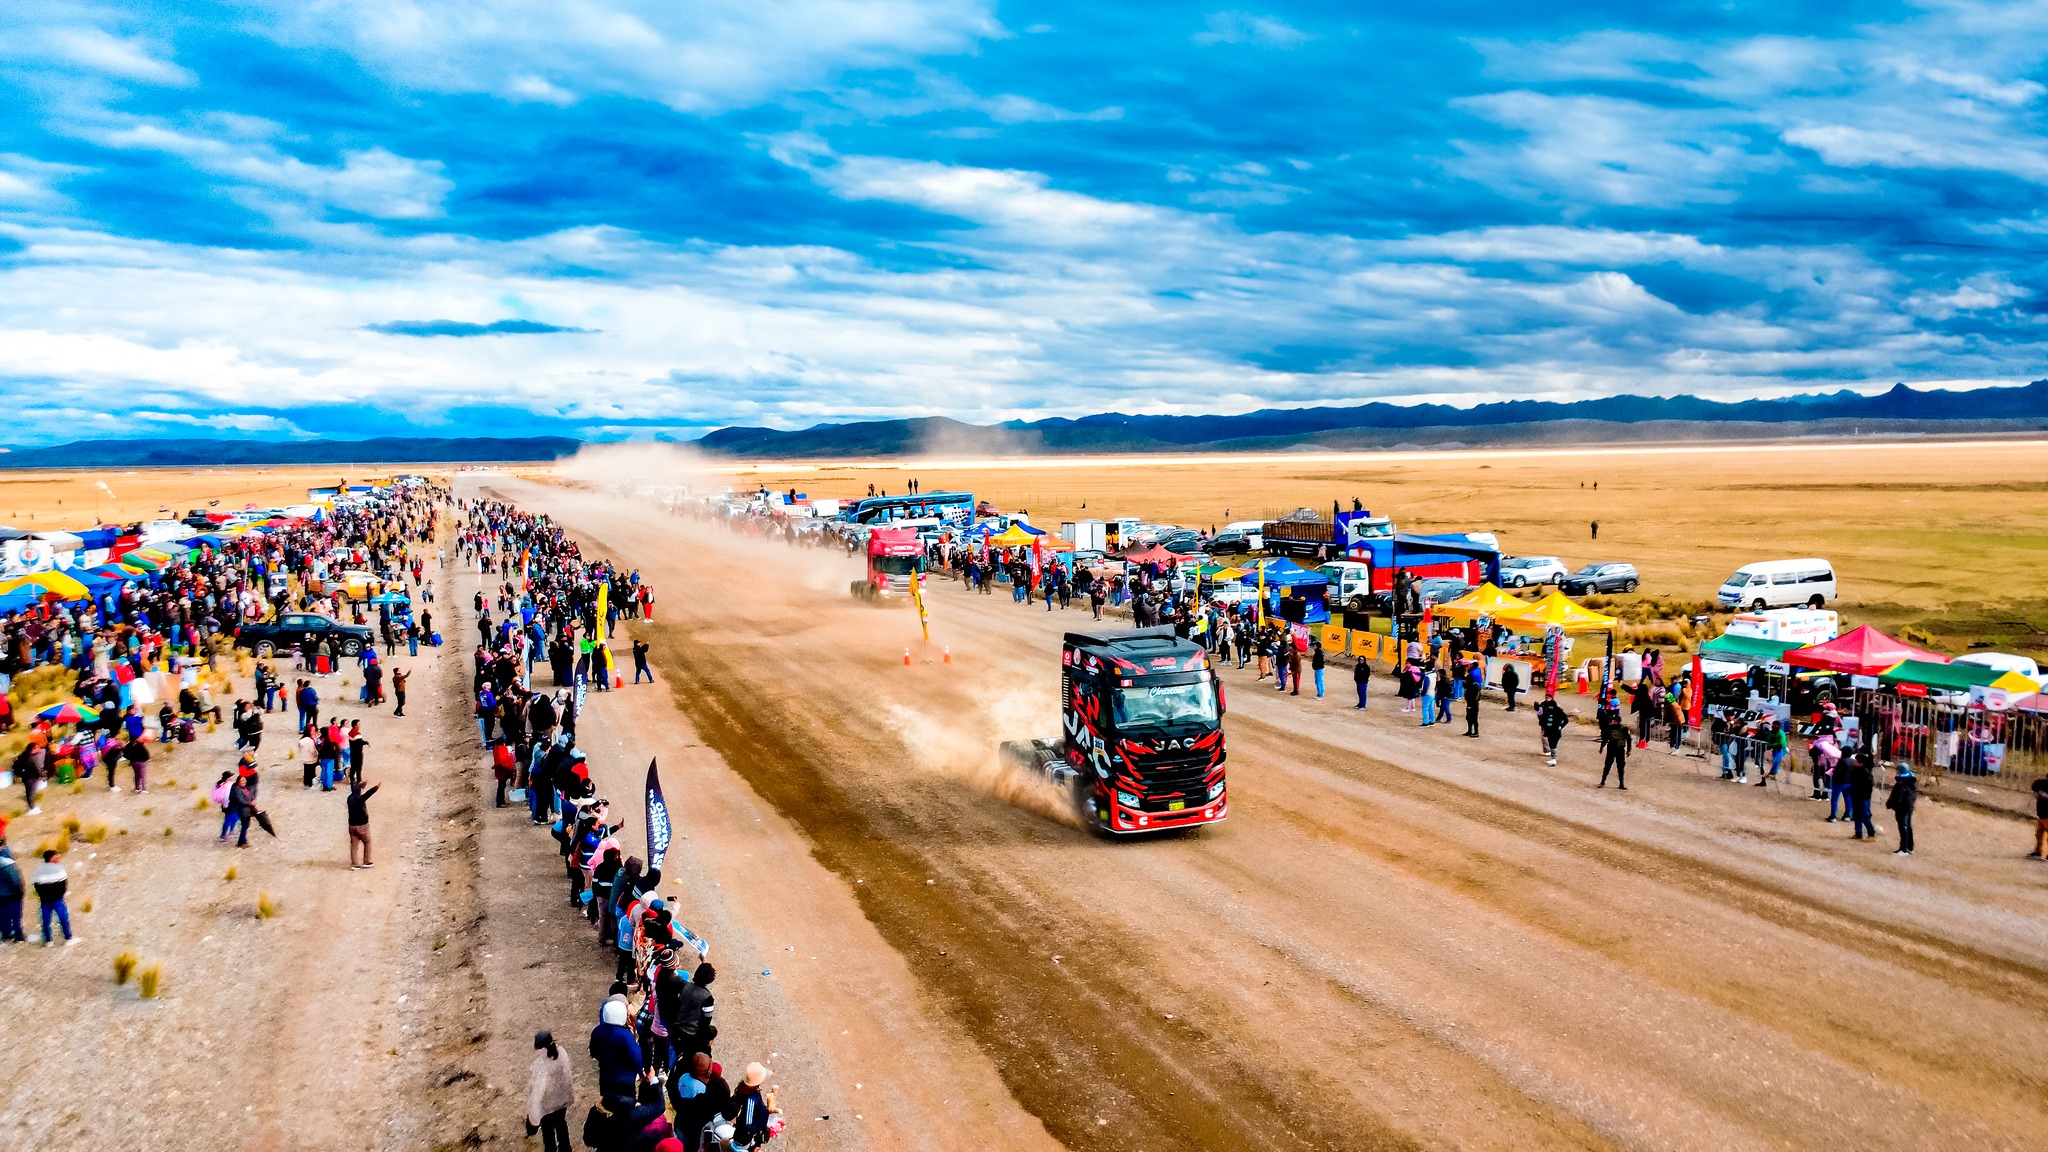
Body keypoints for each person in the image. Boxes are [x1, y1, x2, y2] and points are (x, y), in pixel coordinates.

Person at [527, 1031, 575, 1152]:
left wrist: (533, 1117)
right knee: (561, 1126)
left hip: (547, 1104)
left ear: (541, 1048)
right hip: (562, 1099)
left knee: (548, 1135)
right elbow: (567, 1075)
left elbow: (538, 1090)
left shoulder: (541, 1064)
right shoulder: (562, 1052)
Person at [590, 998, 643, 1105]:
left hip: (606, 1076)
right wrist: (641, 1072)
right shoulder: (626, 1036)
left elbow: (593, 1052)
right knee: (626, 1107)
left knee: (608, 1104)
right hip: (625, 1079)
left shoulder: (597, 1031)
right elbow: (637, 1057)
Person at [33, 848, 74, 945]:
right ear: (51, 858)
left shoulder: (38, 870)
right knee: (63, 918)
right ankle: (68, 937)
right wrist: (59, 895)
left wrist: (43, 896)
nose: (58, 858)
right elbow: (63, 885)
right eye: (56, 856)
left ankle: (48, 941)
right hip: (57, 900)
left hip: (45, 901)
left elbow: (36, 886)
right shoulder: (60, 869)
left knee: (45, 921)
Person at [1885, 763, 1918, 856]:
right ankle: (1909, 847)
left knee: (1903, 827)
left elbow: (1897, 798)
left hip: (1902, 808)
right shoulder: (1911, 781)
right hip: (1909, 807)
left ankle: (1903, 849)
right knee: (1907, 826)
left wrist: (1890, 804)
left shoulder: (1901, 784)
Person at [348, 777, 378, 868]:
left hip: (352, 826)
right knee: (367, 842)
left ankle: (354, 864)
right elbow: (368, 794)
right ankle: (366, 861)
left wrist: (363, 783)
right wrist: (377, 787)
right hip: (362, 826)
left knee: (354, 845)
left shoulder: (349, 798)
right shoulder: (360, 799)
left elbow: (360, 790)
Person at [1847, 750, 1877, 841]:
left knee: (1865, 816)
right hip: (1855, 796)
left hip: (1863, 798)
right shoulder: (1854, 770)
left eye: (1856, 760)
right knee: (1856, 815)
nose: (1854, 761)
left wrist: (1863, 797)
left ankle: (1871, 834)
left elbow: (1868, 788)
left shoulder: (1866, 774)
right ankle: (1858, 833)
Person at [0, 842, 23, 942]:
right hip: (12, 895)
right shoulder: (8, 864)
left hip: (1, 895)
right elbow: (15, 880)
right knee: (16, 916)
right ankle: (18, 936)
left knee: (3, 915)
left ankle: (5, 934)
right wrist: (20, 892)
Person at [1537, 695, 1567, 766]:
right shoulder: (1544, 706)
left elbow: (1565, 719)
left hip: (1554, 730)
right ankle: (1553, 758)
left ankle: (1553, 758)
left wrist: (1560, 726)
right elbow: (1540, 716)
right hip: (1549, 729)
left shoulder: (1557, 711)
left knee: (1552, 744)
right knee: (1552, 744)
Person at [1598, 714, 1628, 789]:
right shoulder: (1611, 728)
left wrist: (1629, 749)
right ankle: (1603, 781)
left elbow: (1628, 738)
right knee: (1608, 766)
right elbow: (1605, 738)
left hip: (1618, 749)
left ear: (1617, 721)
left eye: (1613, 720)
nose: (1611, 721)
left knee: (1620, 767)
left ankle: (1621, 784)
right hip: (1613, 749)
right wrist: (1602, 746)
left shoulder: (1623, 728)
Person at [2031, 774, 2048, 859]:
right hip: (2041, 815)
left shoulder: (2041, 784)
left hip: (2044, 815)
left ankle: (2039, 852)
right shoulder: (2042, 784)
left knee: (2040, 835)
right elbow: (2034, 787)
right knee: (2039, 835)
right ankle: (2038, 851)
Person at [1463, 673, 1481, 738]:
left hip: (1473, 704)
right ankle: (1469, 730)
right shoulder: (1472, 686)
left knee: (1473, 718)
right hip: (1471, 703)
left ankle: (1476, 732)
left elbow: (1474, 697)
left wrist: (1470, 704)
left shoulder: (1473, 687)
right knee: (1468, 718)